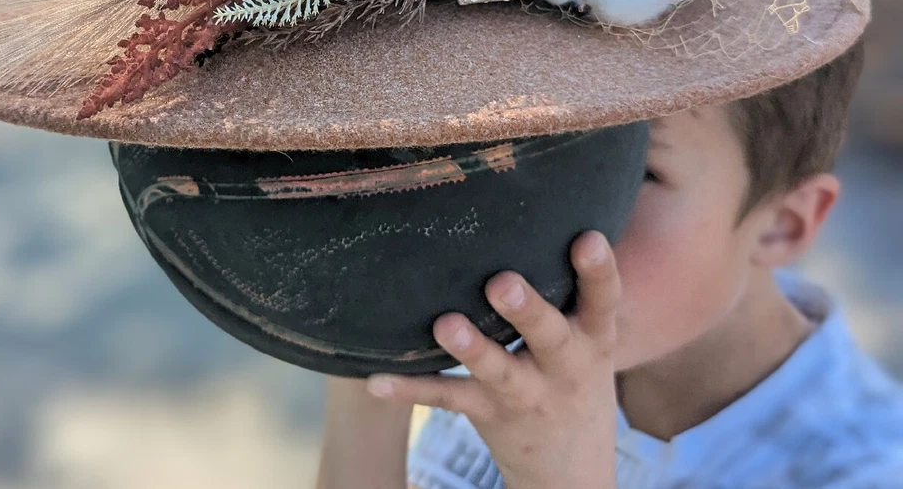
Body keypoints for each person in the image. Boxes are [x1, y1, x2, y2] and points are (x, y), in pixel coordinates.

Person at [315, 35, 903, 488]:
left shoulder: (863, 470)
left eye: (635, 173)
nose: (538, 222)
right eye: (529, 146)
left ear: (783, 224)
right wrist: (369, 362)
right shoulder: (512, 344)